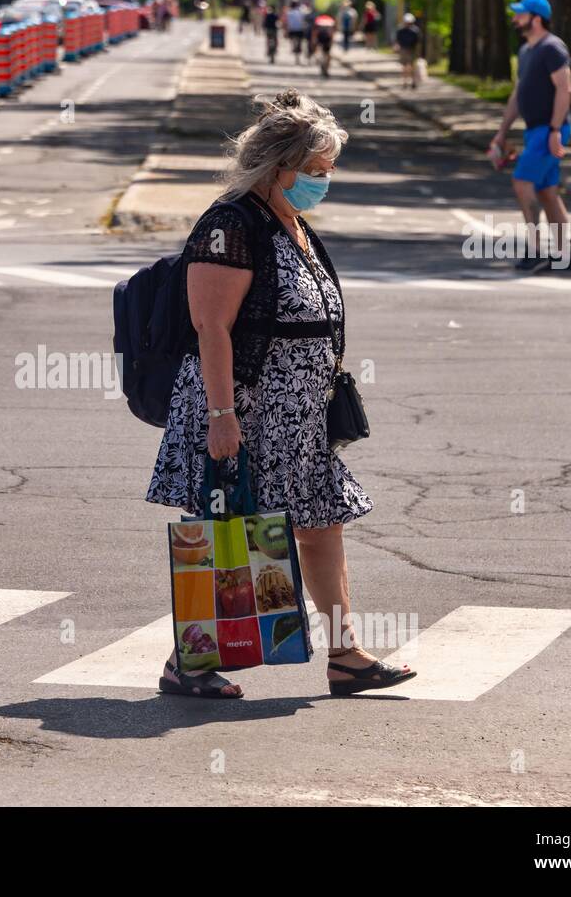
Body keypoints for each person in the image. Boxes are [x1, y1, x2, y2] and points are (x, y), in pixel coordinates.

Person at [147, 88, 415, 700]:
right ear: (280, 168)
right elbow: (210, 327)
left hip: (299, 419)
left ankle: (346, 655)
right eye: (317, 171)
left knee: (322, 526)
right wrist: (221, 415)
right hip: (246, 412)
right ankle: (186, 664)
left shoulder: (290, 222)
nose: (325, 181)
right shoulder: (229, 225)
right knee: (230, 533)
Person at [489, 0, 571, 274]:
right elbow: (518, 95)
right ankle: (563, 257)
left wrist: (554, 130)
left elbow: (565, 89)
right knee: (547, 191)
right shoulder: (527, 51)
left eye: (520, 14)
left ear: (536, 18)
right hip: (536, 129)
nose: (515, 19)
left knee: (522, 182)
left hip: (549, 129)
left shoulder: (552, 48)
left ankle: (536, 250)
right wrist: (501, 133)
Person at [395, 13, 420, 88]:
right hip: (403, 49)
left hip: (412, 49)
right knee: (404, 67)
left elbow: (418, 42)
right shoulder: (400, 30)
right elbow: (397, 40)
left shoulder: (415, 31)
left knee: (412, 66)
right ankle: (405, 82)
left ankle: (413, 82)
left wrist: (418, 52)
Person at [311, 12, 335, 77]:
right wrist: (332, 40)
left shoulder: (318, 20)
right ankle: (326, 68)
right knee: (327, 54)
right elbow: (332, 31)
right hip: (327, 39)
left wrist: (314, 39)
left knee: (320, 52)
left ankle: (321, 63)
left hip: (320, 38)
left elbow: (315, 31)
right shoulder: (330, 20)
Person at [286, 0, 306, 64]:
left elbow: (287, 23)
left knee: (293, 40)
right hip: (300, 30)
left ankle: (293, 47)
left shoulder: (289, 12)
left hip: (292, 30)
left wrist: (286, 30)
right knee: (300, 42)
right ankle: (297, 53)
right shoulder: (301, 12)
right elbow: (303, 21)